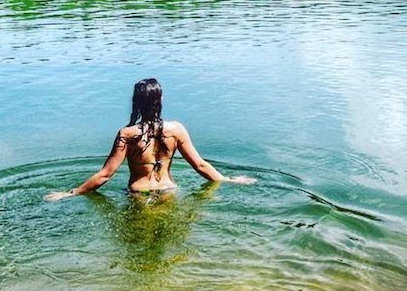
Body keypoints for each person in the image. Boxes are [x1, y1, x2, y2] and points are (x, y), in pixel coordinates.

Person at [45, 78, 255, 200]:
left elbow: (104, 175)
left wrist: (70, 193)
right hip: (168, 191)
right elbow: (200, 166)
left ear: (136, 102)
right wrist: (228, 180)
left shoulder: (127, 135)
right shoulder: (176, 130)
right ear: (160, 100)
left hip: (138, 196)